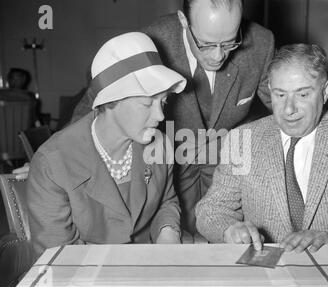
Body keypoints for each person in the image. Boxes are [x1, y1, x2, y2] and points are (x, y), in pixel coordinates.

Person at [69, 0, 275, 235]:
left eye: (229, 43)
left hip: (227, 164)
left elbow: (283, 106)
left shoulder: (261, 43)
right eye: (206, 44)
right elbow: (97, 101)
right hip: (170, 160)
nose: (218, 55)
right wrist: (59, 154)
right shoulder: (153, 40)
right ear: (183, 20)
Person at [195, 43, 328, 253]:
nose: (289, 109)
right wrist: (229, 229)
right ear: (270, 91)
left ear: (325, 92)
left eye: (303, 95)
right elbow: (211, 209)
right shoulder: (241, 140)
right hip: (264, 273)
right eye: (280, 95)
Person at [26, 32, 187, 257]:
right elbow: (58, 257)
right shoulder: (53, 163)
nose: (160, 115)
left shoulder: (160, 146)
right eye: (147, 103)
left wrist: (168, 234)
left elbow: (165, 201)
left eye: (163, 101)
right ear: (110, 101)